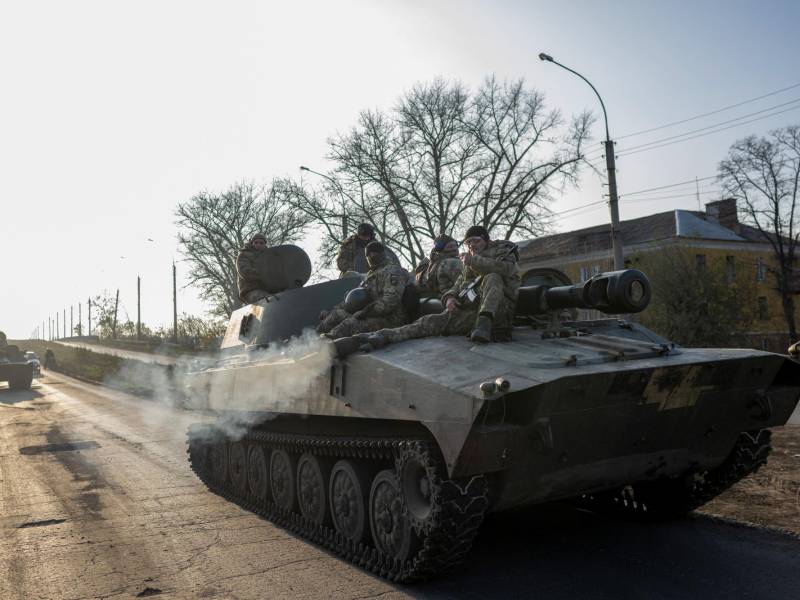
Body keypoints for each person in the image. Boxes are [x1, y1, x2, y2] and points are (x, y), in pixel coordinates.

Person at [348, 225, 520, 348]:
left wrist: (473, 260)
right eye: (468, 243)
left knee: (492, 277)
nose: (471, 246)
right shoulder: (470, 261)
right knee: (428, 322)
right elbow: (460, 283)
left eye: (475, 241)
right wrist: (450, 297)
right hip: (471, 311)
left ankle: (484, 324)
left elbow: (506, 270)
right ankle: (380, 336)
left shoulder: (501, 250)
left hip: (499, 312)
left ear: (485, 239)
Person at [319, 241, 409, 338]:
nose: (371, 256)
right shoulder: (369, 276)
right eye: (368, 254)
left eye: (374, 253)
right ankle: (313, 339)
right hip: (369, 315)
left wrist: (364, 313)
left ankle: (325, 345)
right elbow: (353, 300)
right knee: (336, 315)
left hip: (390, 320)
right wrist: (331, 311)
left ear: (382, 253)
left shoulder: (393, 271)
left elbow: (390, 302)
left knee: (349, 324)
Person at [414, 234, 462, 298]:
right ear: (440, 248)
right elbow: (466, 283)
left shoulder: (433, 265)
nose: (454, 248)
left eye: (455, 246)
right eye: (450, 246)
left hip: (443, 300)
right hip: (454, 299)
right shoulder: (451, 262)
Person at [237, 233, 270, 304]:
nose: (259, 245)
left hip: (269, 289)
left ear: (265, 244)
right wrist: (264, 274)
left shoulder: (269, 256)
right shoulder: (244, 255)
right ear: (252, 243)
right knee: (268, 299)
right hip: (250, 290)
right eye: (256, 242)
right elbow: (245, 272)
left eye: (261, 243)